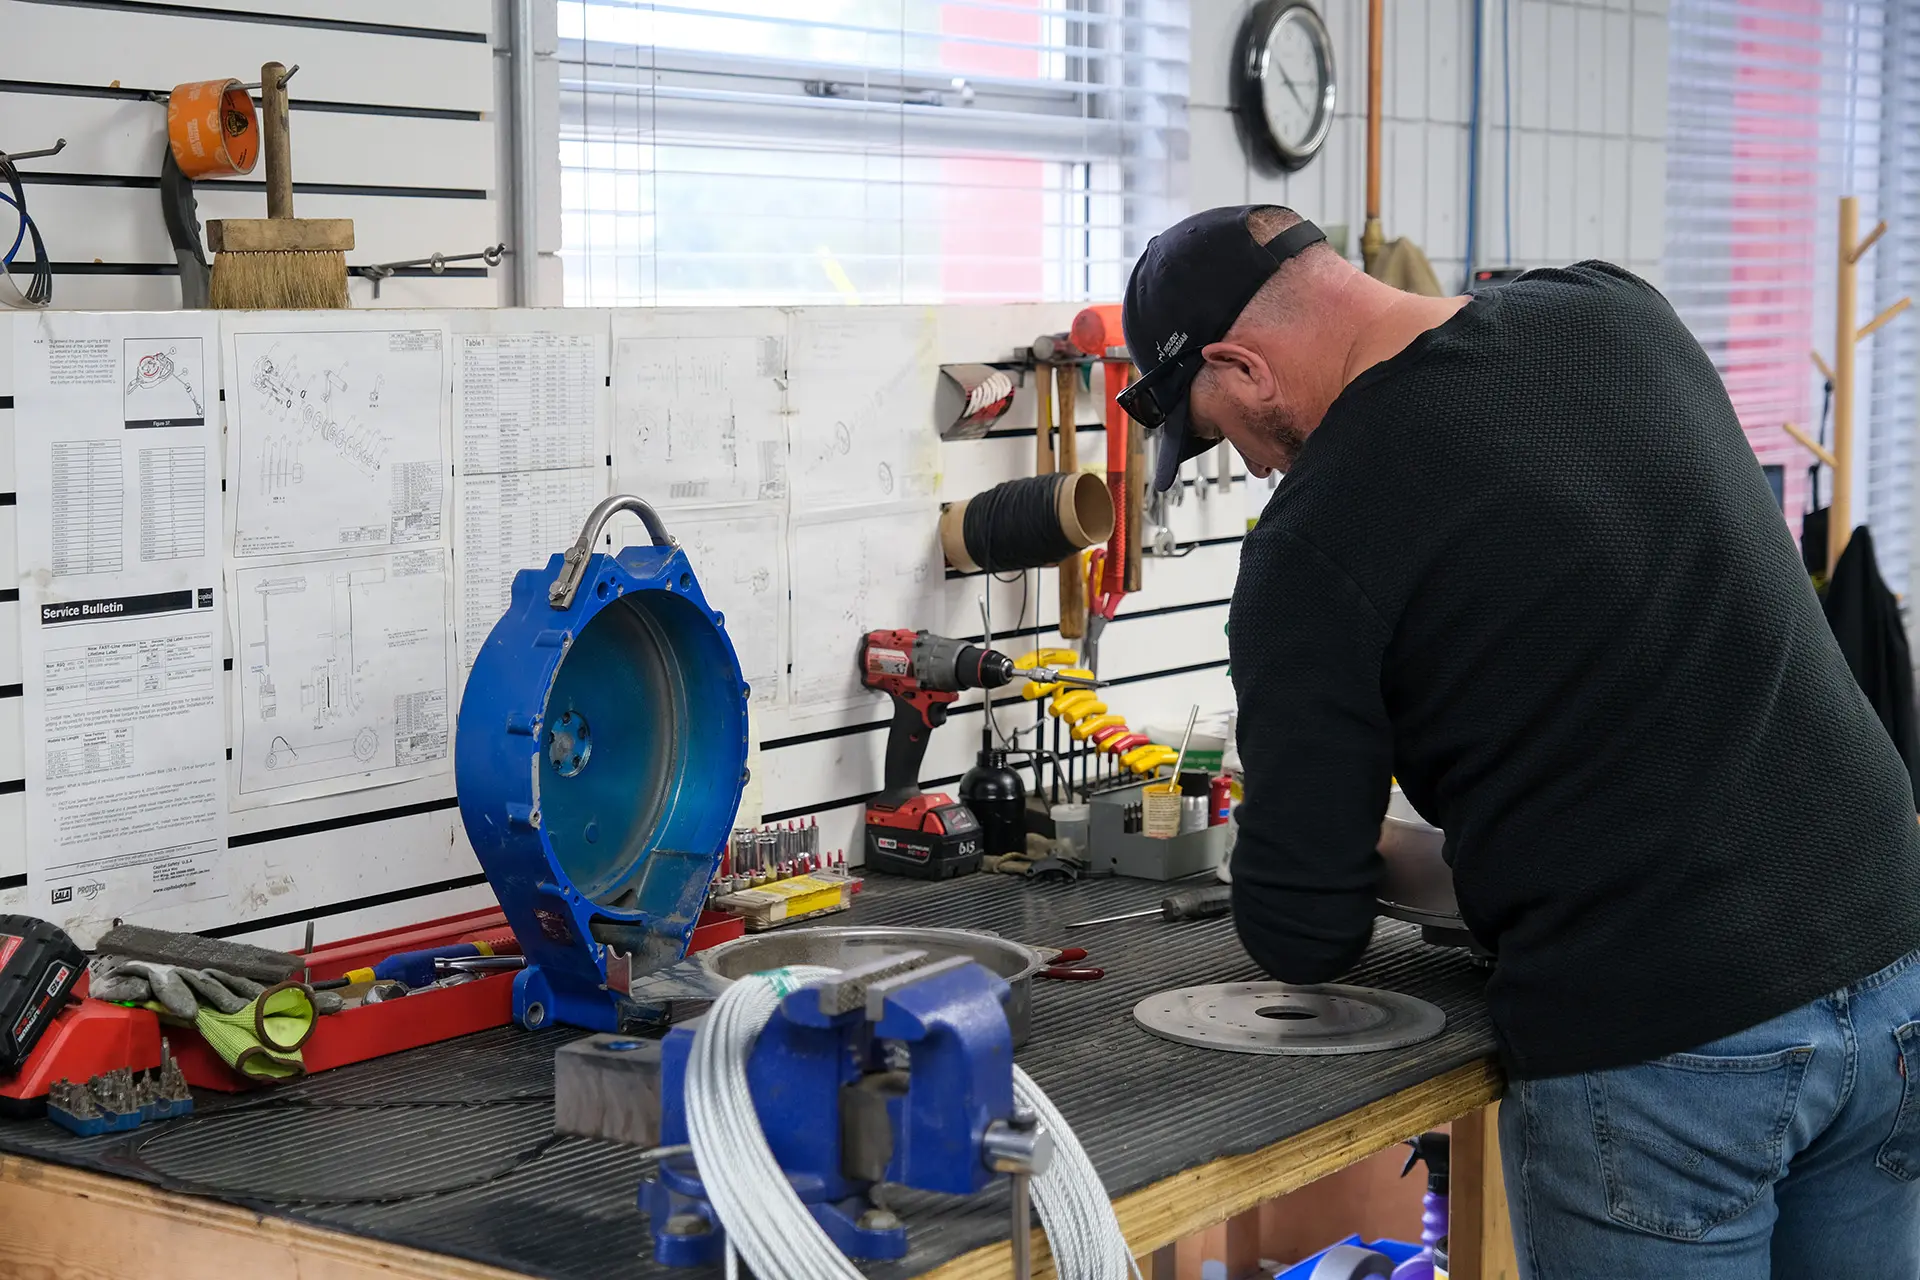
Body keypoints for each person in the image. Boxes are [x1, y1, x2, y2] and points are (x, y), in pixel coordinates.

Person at [1117, 204, 1920, 1278]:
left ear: (1241, 364)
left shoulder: (1311, 543)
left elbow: (1302, 932)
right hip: (1889, 948)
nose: (1256, 468)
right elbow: (1643, 704)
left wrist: (1338, 842)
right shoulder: (1612, 309)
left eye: (1220, 431)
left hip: (1670, 1040)